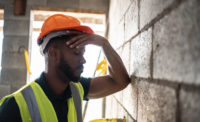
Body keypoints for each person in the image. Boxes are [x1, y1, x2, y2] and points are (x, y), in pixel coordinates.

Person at [0, 14, 130, 122]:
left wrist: (104, 44)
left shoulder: (76, 88)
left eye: (83, 53)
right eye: (77, 53)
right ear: (53, 53)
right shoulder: (14, 106)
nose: (83, 60)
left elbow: (120, 81)